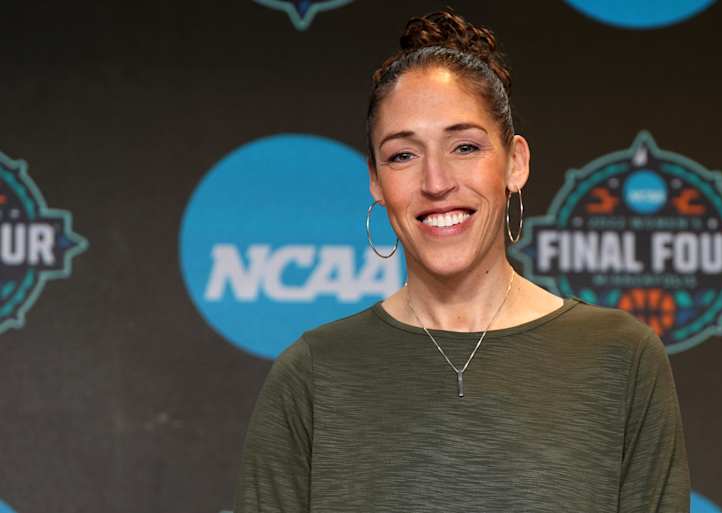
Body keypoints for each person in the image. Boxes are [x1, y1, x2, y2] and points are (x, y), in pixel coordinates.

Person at [234, 9, 690, 513]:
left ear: (515, 162)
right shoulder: (312, 374)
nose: (436, 181)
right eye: (403, 155)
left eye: (465, 147)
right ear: (376, 181)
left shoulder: (620, 358)